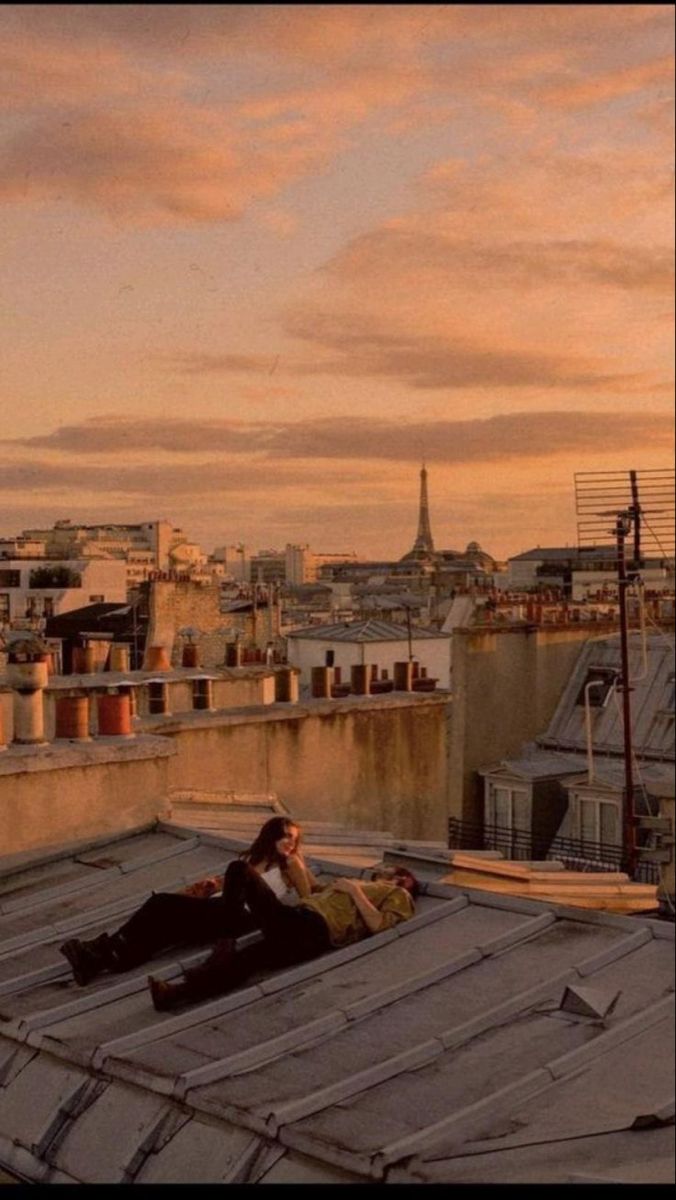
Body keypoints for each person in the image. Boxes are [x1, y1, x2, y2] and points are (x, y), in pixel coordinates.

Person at [59, 817, 320, 986]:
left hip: (240, 916)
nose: (290, 843)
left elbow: (311, 895)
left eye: (295, 839)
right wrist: (208, 887)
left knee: (160, 903)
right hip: (218, 908)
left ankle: (99, 950)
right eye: (286, 835)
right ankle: (104, 958)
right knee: (164, 928)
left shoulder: (292, 864)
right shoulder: (251, 860)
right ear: (271, 835)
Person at [148, 861, 419, 1011]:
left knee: (239, 870)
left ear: (401, 878)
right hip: (303, 929)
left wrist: (353, 890)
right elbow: (313, 890)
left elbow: (381, 925)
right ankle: (175, 994)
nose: (381, 870)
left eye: (389, 869)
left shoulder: (398, 893)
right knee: (243, 962)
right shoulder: (356, 885)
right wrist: (294, 862)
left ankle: (225, 940)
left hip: (312, 927)